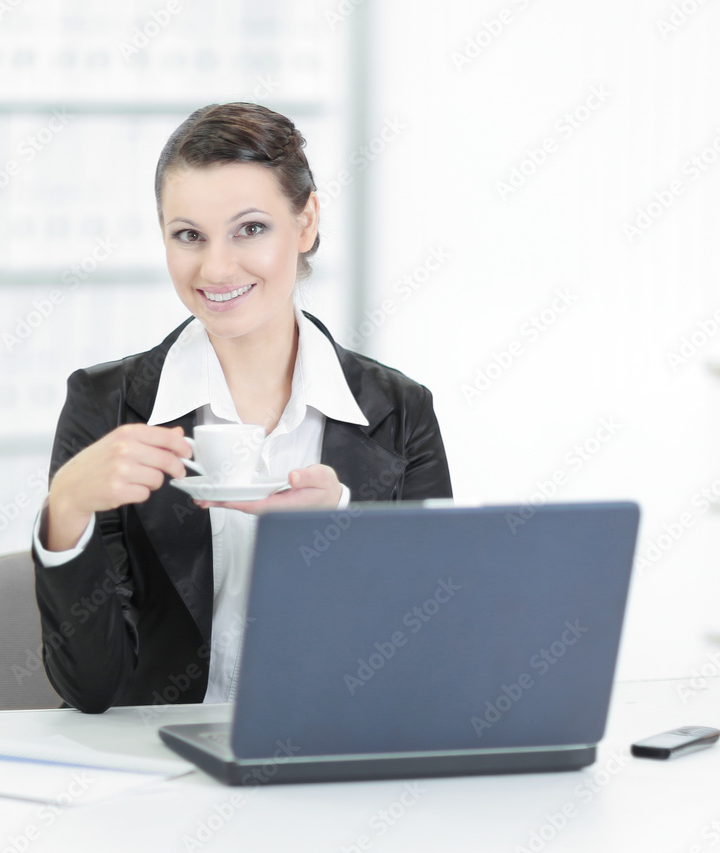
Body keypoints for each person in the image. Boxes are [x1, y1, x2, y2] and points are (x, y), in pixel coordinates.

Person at [32, 102, 452, 713]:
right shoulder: (107, 406)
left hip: (332, 765)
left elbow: (427, 661)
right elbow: (93, 689)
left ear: (306, 222)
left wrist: (344, 527)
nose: (216, 267)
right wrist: (66, 508)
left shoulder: (400, 413)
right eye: (188, 236)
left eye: (250, 228)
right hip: (164, 773)